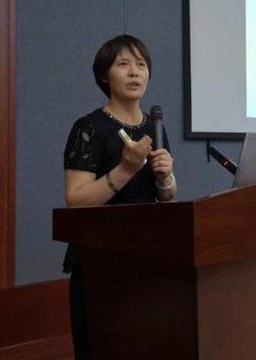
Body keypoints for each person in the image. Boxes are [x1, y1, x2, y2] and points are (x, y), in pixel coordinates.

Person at [62, 34, 177, 359]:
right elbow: (75, 200)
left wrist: (166, 176)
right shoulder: (89, 128)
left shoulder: (155, 128)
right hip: (100, 259)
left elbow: (166, 197)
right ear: (104, 75)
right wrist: (126, 169)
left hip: (149, 254)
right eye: (123, 64)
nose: (134, 72)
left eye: (141, 65)